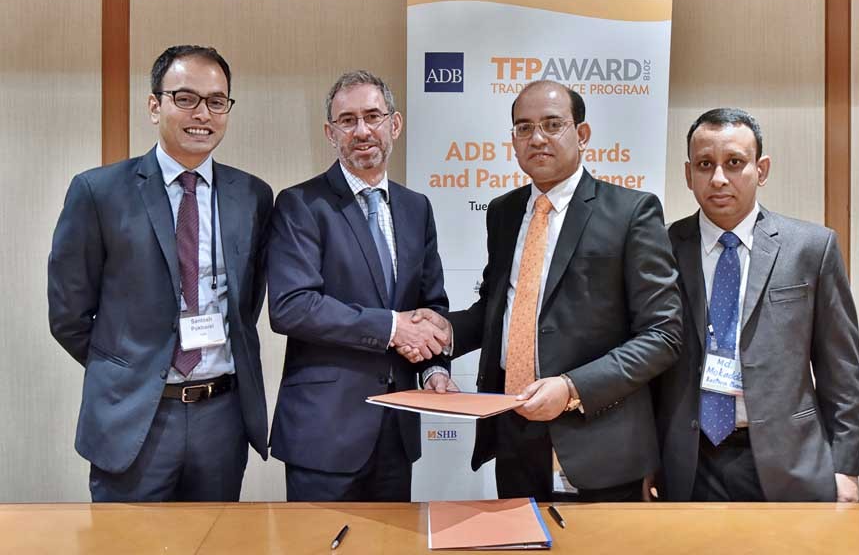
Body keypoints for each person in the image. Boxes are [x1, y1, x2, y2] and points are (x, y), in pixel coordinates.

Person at [413, 80, 682, 501]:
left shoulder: (632, 212)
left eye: (552, 124)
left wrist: (573, 388)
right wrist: (445, 333)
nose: (537, 137)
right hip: (514, 434)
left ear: (582, 134)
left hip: (599, 441)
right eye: (524, 128)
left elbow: (663, 335)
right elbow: (500, 309)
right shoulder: (503, 213)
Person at [48, 45, 273, 501]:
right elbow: (68, 314)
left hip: (221, 416)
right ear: (155, 105)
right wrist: (131, 370)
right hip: (136, 417)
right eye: (185, 98)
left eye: (216, 101)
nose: (202, 114)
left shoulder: (252, 195)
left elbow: (245, 306)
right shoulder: (99, 191)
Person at [651, 107, 859, 502]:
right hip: (688, 463)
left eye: (734, 163)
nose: (718, 178)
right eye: (704, 164)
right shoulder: (660, 249)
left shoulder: (812, 249)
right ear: (688, 173)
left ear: (761, 169)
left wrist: (846, 468)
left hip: (790, 461)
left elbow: (841, 372)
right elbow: (647, 371)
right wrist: (646, 463)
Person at [267, 70, 454, 502]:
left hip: (397, 429)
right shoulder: (300, 204)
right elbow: (292, 306)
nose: (362, 130)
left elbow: (431, 305)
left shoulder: (416, 208)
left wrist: (433, 368)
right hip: (324, 433)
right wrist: (393, 328)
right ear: (330, 133)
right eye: (347, 121)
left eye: (373, 116)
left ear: (395, 124)